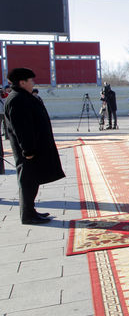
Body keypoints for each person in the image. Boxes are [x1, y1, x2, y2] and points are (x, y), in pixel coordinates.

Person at [5, 68, 65, 224]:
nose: (33, 83)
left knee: (33, 181)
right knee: (28, 182)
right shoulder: (17, 99)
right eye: (31, 80)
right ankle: (28, 215)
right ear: (22, 82)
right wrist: (28, 150)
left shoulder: (24, 97)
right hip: (28, 152)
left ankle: (31, 211)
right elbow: (22, 129)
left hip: (34, 149)